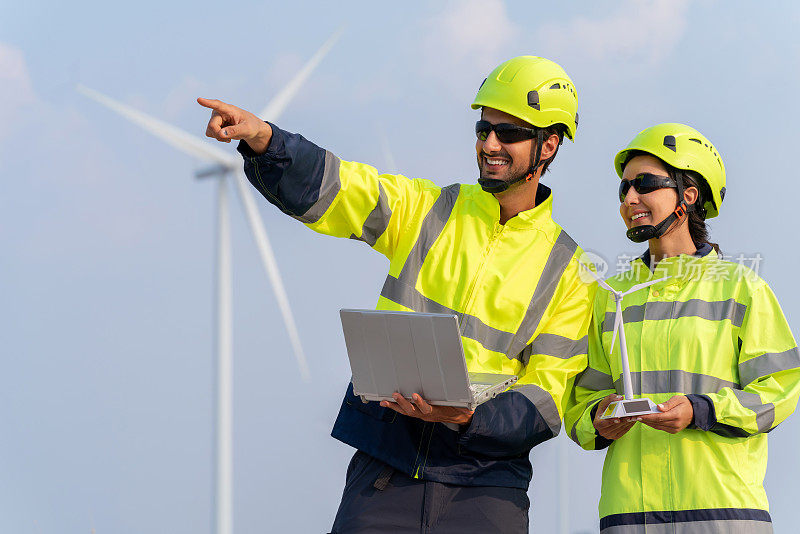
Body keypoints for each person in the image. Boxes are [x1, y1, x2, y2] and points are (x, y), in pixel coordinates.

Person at [200, 56, 594, 533]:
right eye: (482, 128)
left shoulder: (570, 270)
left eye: (508, 133)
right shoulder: (428, 209)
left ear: (548, 144)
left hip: (486, 489)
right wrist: (266, 140)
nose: (489, 144)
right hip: (387, 470)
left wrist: (467, 418)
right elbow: (343, 187)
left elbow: (549, 395)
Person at [565, 123, 800, 533]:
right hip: (630, 519)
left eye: (645, 185)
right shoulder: (610, 294)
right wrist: (598, 418)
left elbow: (781, 390)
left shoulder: (743, 288)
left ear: (688, 196)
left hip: (725, 515)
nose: (630, 199)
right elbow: (582, 398)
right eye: (624, 189)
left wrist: (701, 410)